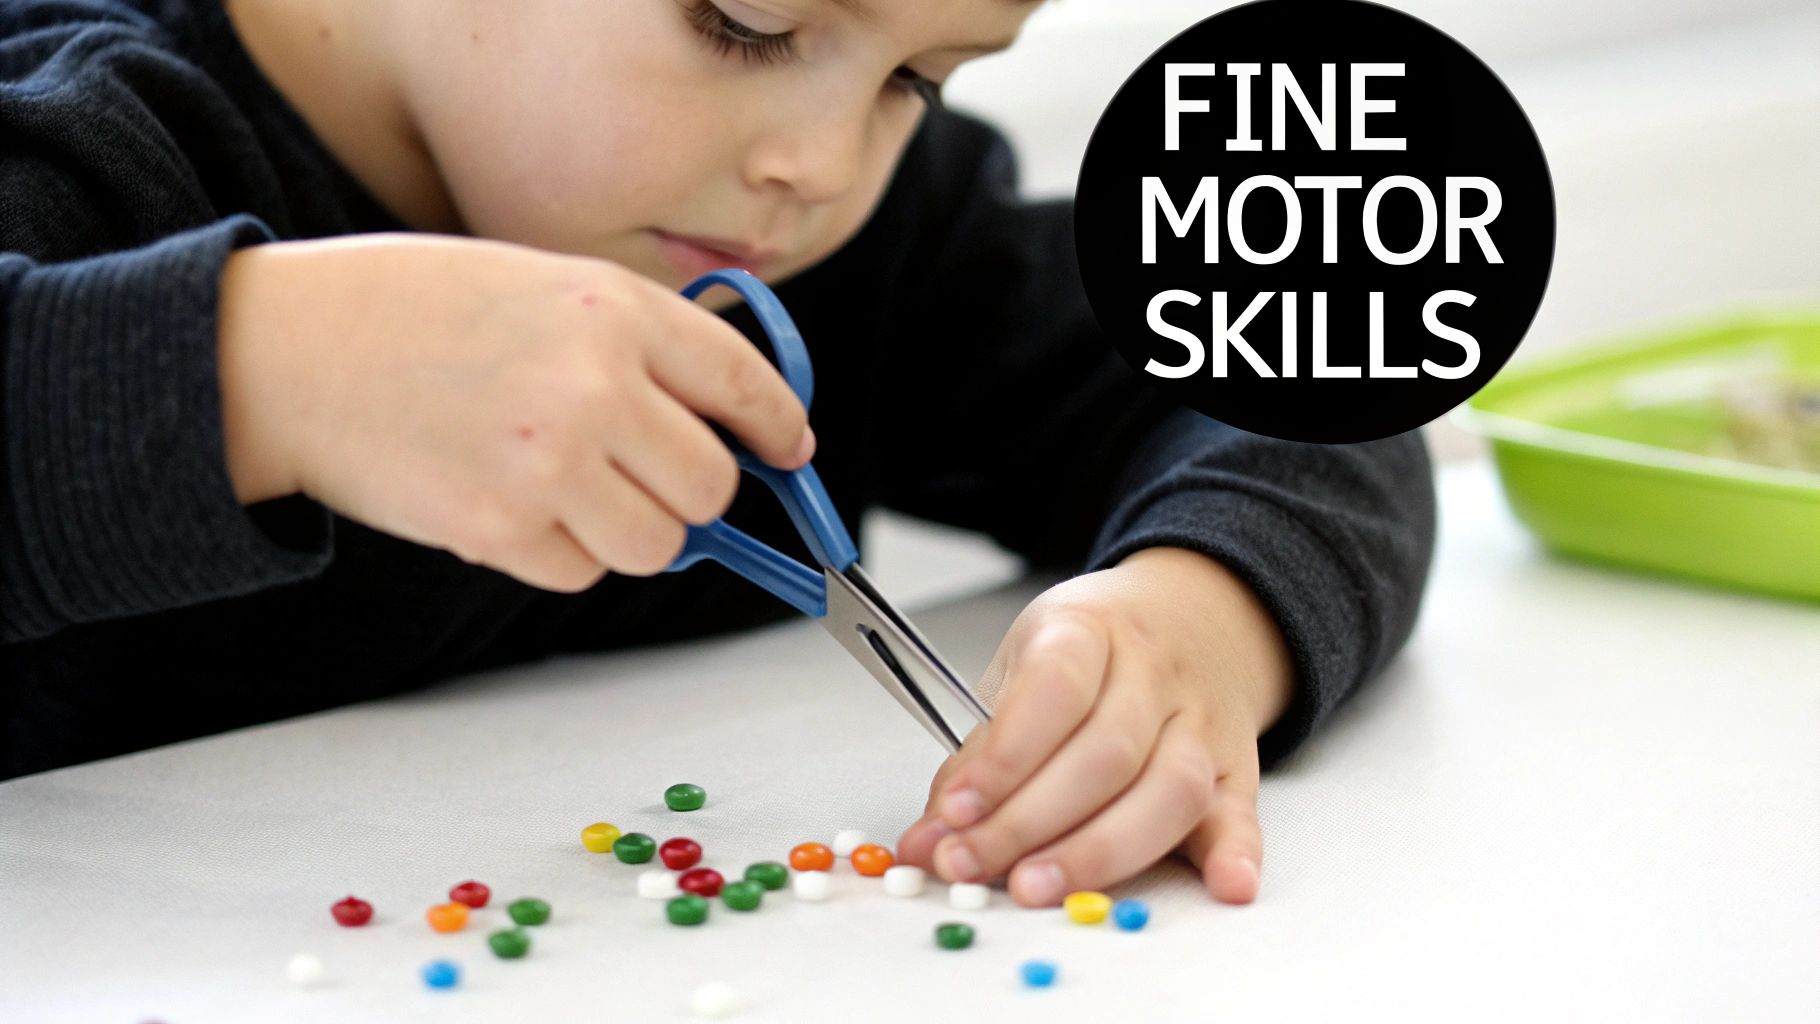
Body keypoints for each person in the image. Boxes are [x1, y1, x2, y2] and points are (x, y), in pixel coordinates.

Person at [0, 0, 1435, 908]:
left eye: (918, 78)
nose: (818, 162)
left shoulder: (846, 247)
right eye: (744, 24)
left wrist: (1206, 609)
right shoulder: (81, 142)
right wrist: (264, 373)